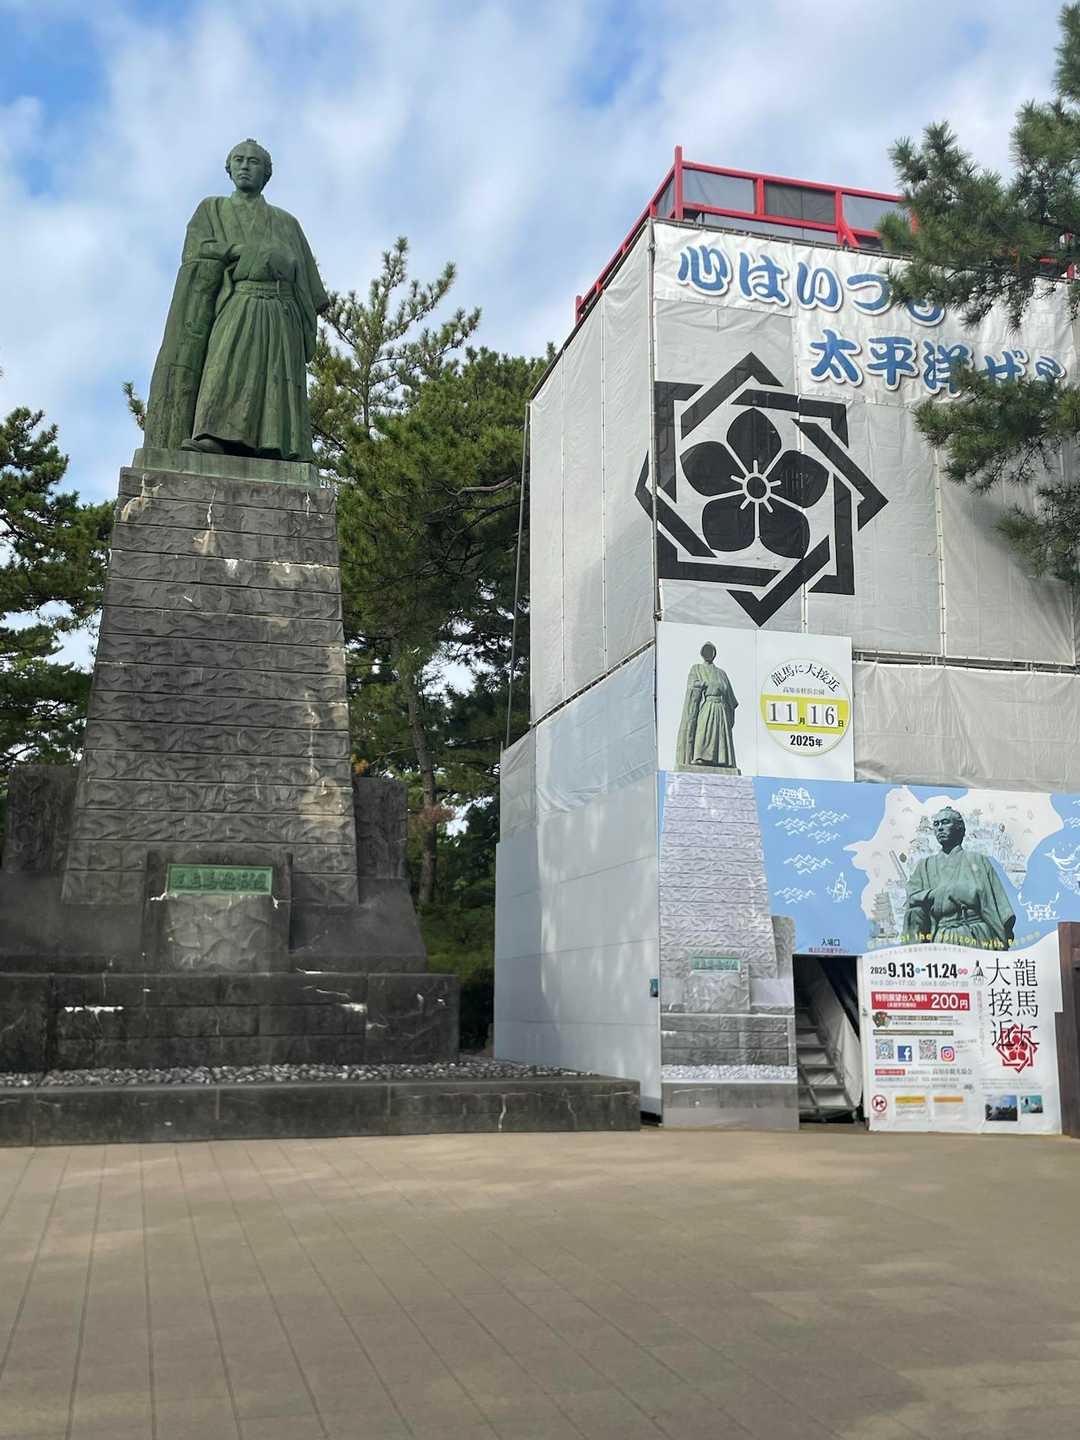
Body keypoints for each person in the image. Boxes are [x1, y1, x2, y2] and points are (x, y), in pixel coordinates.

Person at [144, 138, 328, 462]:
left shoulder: (286, 223)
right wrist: (237, 251)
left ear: (266, 173)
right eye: (239, 160)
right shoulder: (212, 209)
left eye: (253, 162)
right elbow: (197, 251)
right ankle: (214, 435)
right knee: (224, 368)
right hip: (237, 301)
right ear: (228, 169)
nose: (245, 166)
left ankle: (276, 444)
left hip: (280, 310)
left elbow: (308, 285)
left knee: (275, 376)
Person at [903, 807, 1015, 948]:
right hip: (942, 936)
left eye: (945, 822)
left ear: (959, 828)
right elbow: (912, 898)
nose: (940, 828)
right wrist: (937, 894)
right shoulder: (924, 865)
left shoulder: (978, 860)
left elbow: (1001, 909)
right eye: (936, 824)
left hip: (977, 934)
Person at [675, 642, 739, 772]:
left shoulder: (721, 673)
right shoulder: (697, 669)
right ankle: (700, 756)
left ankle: (721, 759)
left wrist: (728, 712)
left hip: (720, 709)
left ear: (714, 654)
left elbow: (731, 699)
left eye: (711, 651)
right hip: (707, 705)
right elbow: (692, 685)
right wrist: (701, 685)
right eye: (706, 651)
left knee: (720, 736)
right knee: (702, 731)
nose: (708, 653)